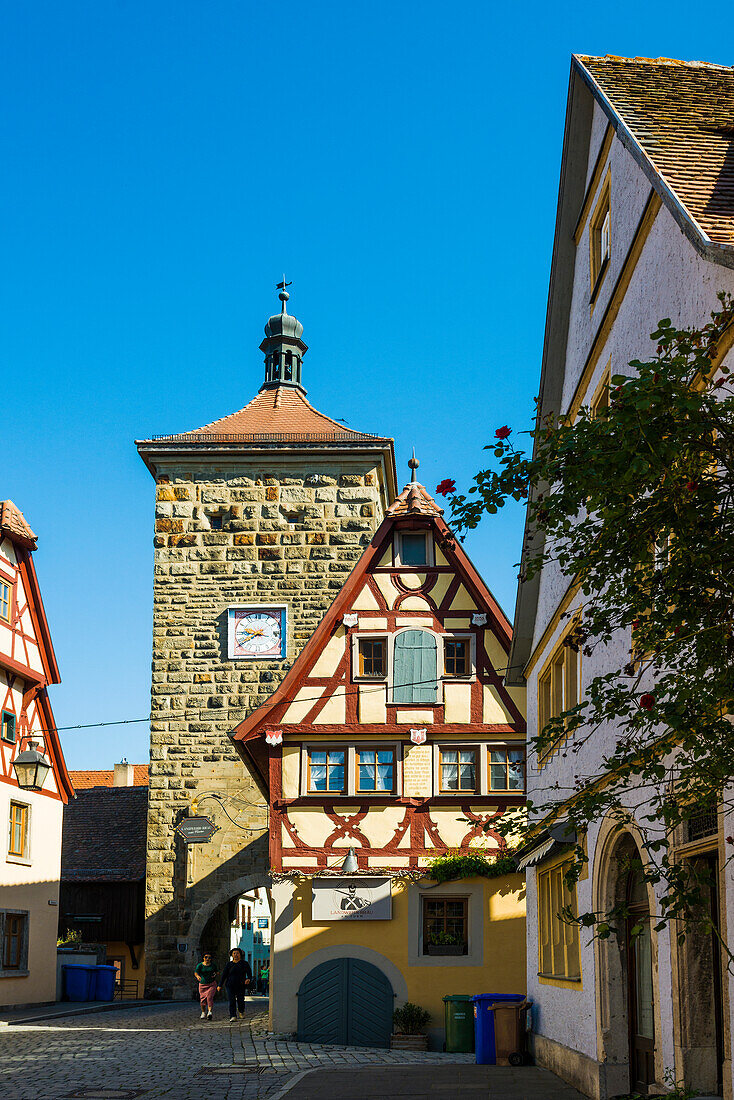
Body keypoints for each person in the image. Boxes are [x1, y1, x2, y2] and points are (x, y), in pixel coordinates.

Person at [219, 947, 252, 1022]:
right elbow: (224, 975)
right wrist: (220, 985)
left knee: (240, 1000)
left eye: (237, 953)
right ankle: (233, 1016)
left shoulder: (244, 963)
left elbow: (249, 973)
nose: (236, 955)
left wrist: (248, 979)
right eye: (234, 953)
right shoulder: (229, 964)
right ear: (231, 955)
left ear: (240, 954)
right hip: (230, 985)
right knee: (232, 1000)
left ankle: (241, 1010)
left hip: (240, 985)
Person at [194, 953, 218, 1020]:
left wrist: (215, 974)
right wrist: (198, 976)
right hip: (202, 984)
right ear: (203, 958)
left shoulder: (213, 965)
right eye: (206, 957)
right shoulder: (200, 965)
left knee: (209, 997)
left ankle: (210, 1012)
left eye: (209, 957)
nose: (207, 959)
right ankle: (203, 1012)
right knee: (202, 999)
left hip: (211, 984)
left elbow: (217, 972)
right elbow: (196, 972)